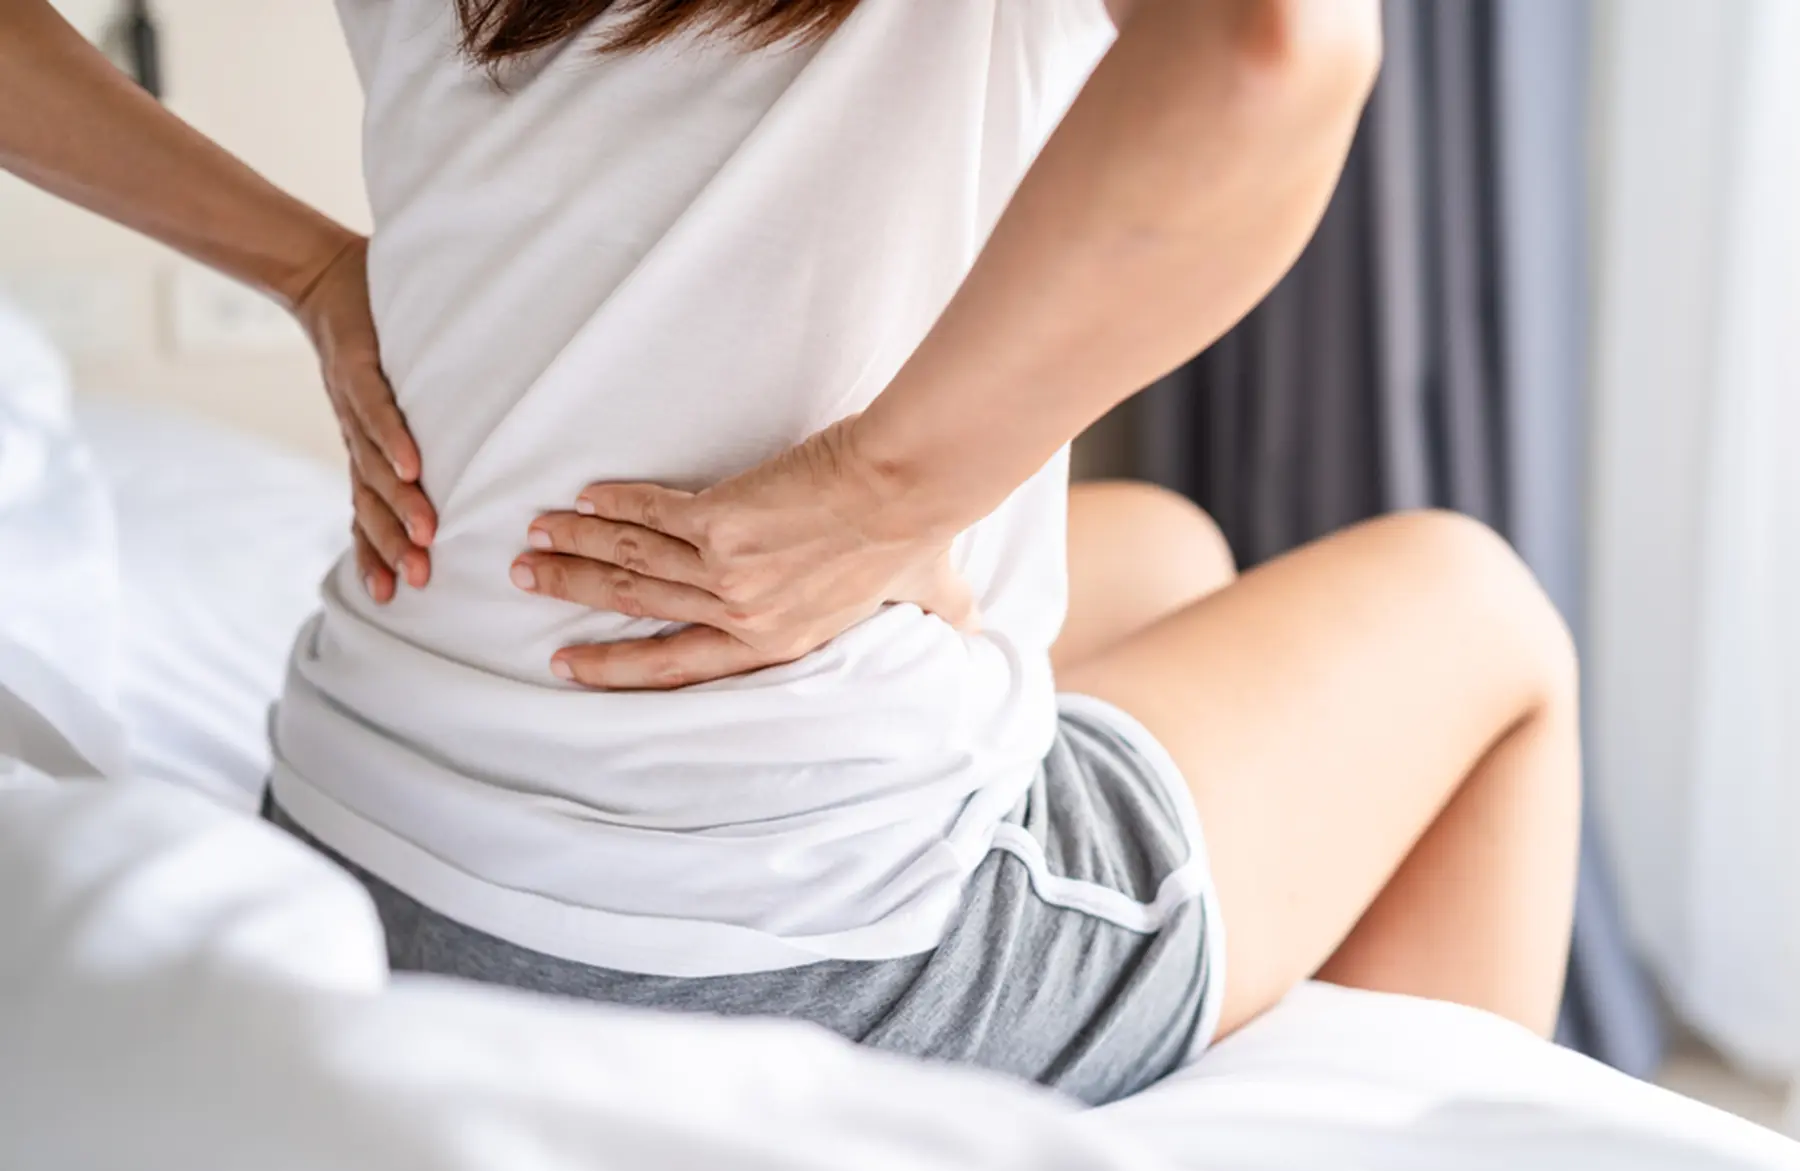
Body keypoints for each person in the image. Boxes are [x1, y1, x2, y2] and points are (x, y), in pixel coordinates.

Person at [1, 0, 1578, 1105]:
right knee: (1484, 618)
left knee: (1162, 550)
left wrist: (306, 269)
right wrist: (880, 494)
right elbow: (1277, 43)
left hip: (365, 830)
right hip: (796, 947)